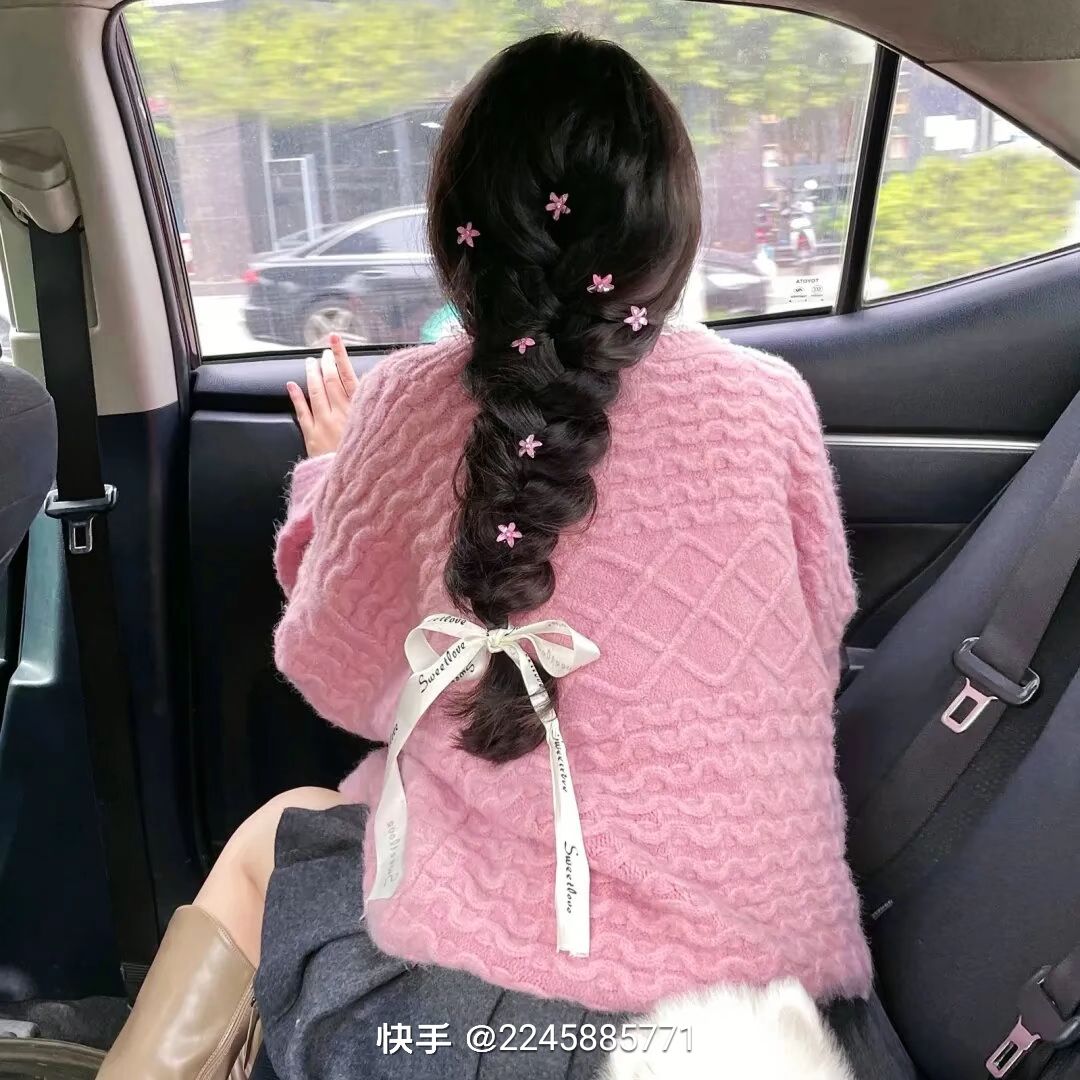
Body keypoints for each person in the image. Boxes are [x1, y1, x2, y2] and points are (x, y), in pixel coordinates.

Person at [100, 31, 916, 1080]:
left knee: (277, 835)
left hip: (507, 1030)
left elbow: (338, 669)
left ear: (459, 234)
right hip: (772, 1008)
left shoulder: (409, 406)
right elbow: (816, 636)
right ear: (668, 231)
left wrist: (331, 476)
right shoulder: (770, 405)